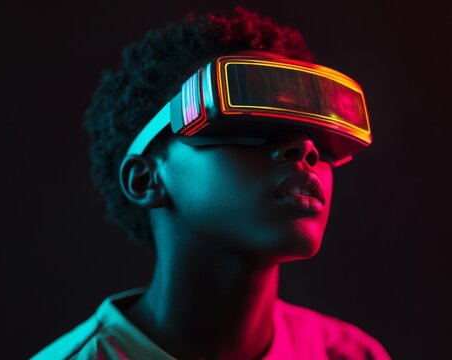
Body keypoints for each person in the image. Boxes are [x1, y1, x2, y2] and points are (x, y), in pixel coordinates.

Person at [31, 6, 390, 360]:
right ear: (145, 179)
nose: (306, 149)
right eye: (246, 125)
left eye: (319, 140)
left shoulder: (351, 354)